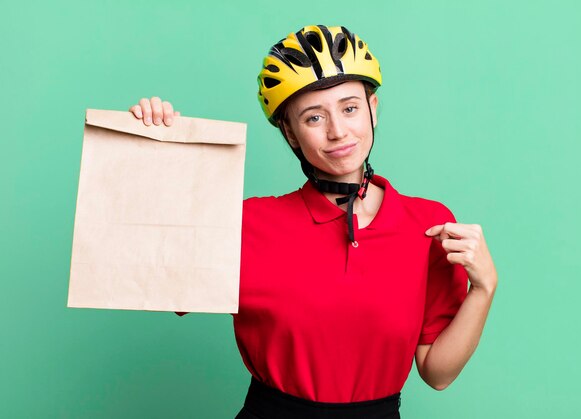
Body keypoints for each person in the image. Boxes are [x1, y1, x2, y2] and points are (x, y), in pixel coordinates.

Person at [129, 24, 497, 419]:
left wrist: (484, 287)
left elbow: (437, 373)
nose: (338, 131)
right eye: (314, 118)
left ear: (373, 109)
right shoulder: (248, 222)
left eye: (350, 108)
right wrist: (153, 157)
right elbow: (145, 286)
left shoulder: (428, 224)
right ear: (289, 132)